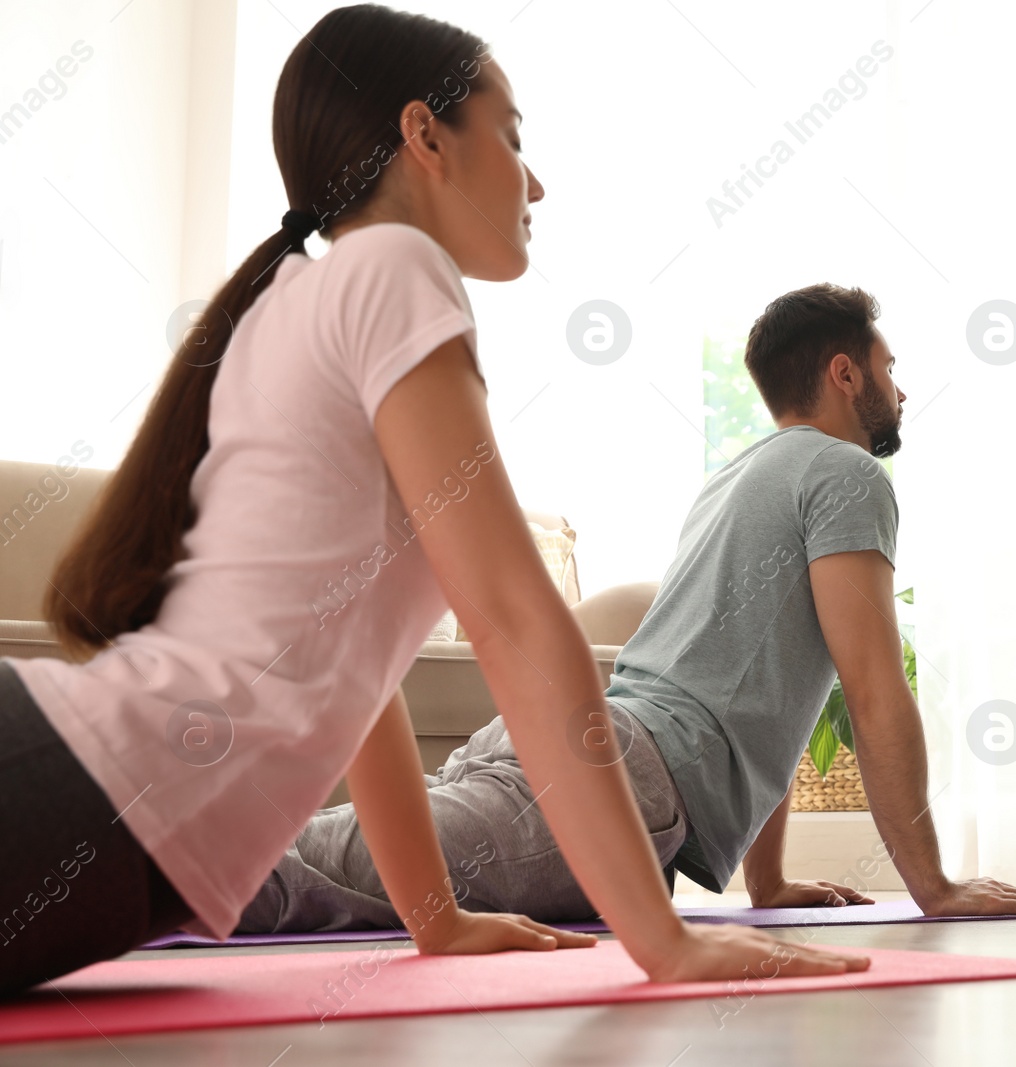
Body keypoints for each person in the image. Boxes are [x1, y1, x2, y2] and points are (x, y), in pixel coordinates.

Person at [0, 4, 865, 996]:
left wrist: (436, 917)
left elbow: (348, 674)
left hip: (88, 803)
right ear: (424, 136)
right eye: (512, 136)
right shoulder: (394, 265)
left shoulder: (318, 293)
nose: (535, 181)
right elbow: (511, 616)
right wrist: (660, 940)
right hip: (76, 787)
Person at [241, 283, 1016, 932]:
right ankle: (132, 847)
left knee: (318, 860)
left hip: (590, 753)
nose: (902, 388)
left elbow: (771, 690)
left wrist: (769, 881)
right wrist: (935, 885)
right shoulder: (847, 476)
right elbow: (877, 686)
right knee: (284, 877)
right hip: (612, 779)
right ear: (844, 373)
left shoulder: (740, 478)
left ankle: (150, 845)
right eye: (889, 368)